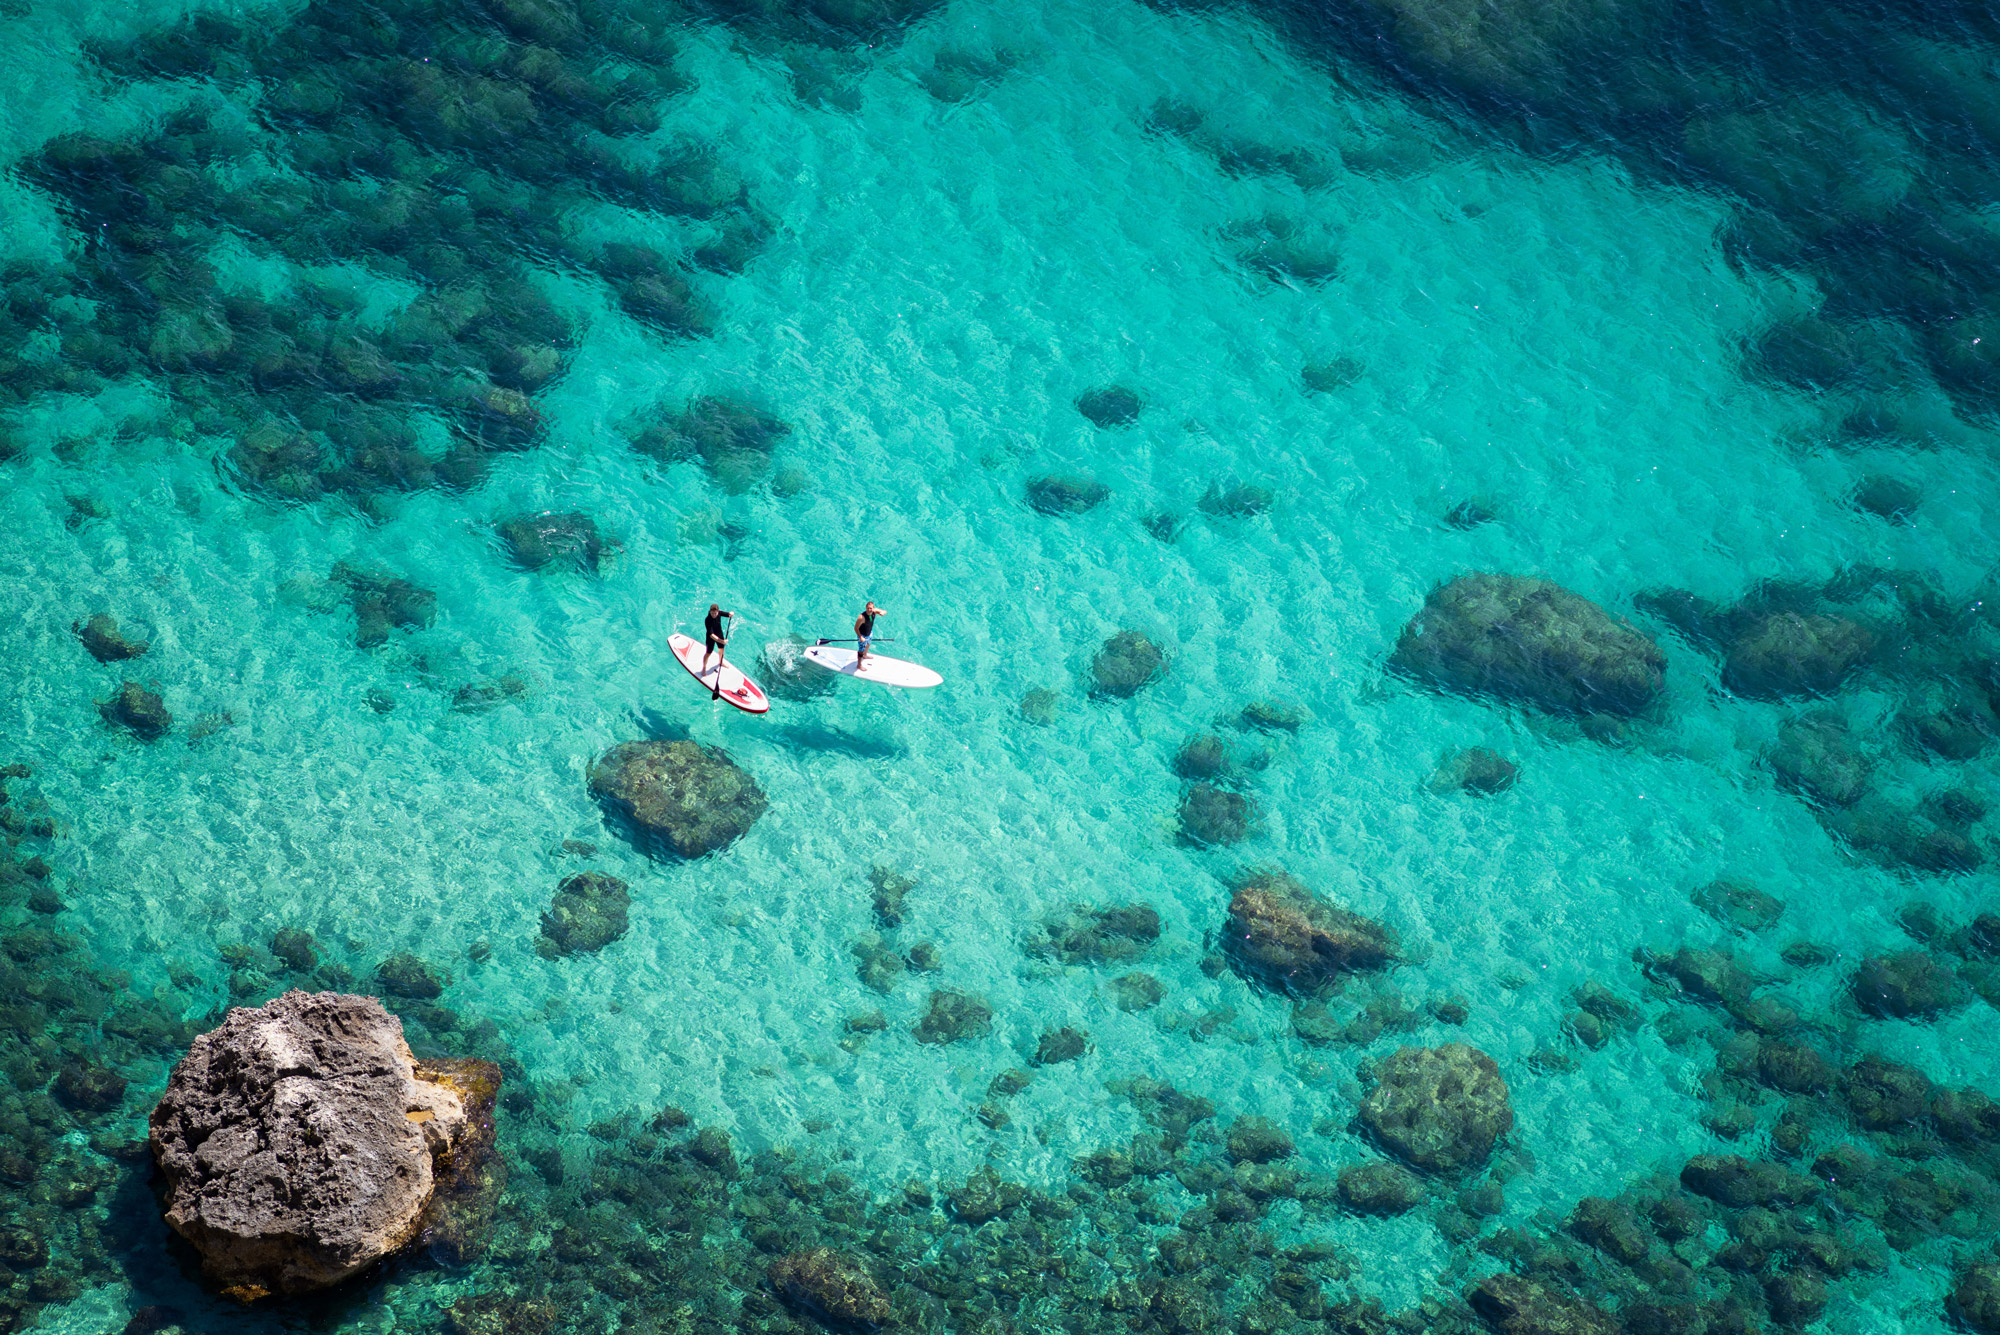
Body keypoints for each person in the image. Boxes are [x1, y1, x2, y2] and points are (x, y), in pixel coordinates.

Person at [702, 604, 732, 677]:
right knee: (709, 652)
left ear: (718, 611)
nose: (714, 615)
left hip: (719, 633)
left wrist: (730, 614)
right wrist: (722, 641)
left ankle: (721, 662)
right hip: (710, 638)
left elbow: (728, 614)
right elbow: (711, 635)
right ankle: (704, 667)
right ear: (710, 612)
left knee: (721, 649)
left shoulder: (719, 613)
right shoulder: (707, 620)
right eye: (712, 613)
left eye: (715, 613)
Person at [854, 600, 883, 665]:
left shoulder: (874, 611)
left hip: (869, 633)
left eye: (871, 608)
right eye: (868, 608)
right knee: (861, 651)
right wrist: (860, 637)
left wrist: (882, 613)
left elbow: (884, 611)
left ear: (873, 608)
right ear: (866, 608)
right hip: (862, 635)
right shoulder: (861, 617)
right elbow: (856, 628)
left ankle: (865, 655)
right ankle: (859, 665)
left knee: (868, 644)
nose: (869, 609)